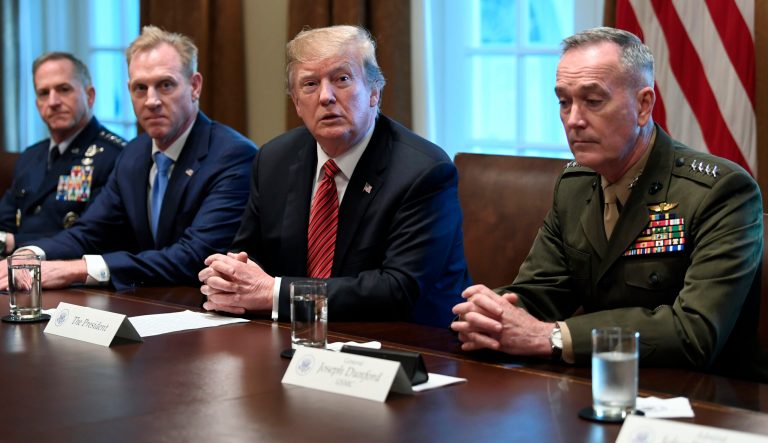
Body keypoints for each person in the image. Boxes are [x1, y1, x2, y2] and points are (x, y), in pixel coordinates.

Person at [451, 27, 765, 381]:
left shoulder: (720, 191)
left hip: (708, 398)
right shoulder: (575, 185)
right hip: (597, 382)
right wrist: (491, 313)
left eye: (593, 101)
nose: (574, 120)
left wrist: (553, 337)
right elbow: (541, 294)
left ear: (644, 105)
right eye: (564, 101)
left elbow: (694, 333)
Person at [198, 25, 470, 328]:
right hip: (298, 336)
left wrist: (274, 293)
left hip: (406, 347)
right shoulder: (273, 160)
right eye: (310, 84)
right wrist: (229, 280)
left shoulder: (423, 172)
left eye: (341, 79)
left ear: (374, 92)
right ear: (297, 104)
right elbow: (250, 257)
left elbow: (398, 290)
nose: (326, 97)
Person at [0, 26, 256, 290]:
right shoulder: (133, 154)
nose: (151, 100)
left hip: (206, 308)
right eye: (140, 88)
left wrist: (78, 269)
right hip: (145, 303)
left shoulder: (232, 156)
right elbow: (89, 231)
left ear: (194, 86)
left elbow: (194, 256)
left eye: (165, 85)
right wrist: (30, 254)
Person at [0, 52, 124, 256]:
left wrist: (14, 241)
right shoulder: (31, 156)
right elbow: (5, 220)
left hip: (71, 275)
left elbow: (95, 234)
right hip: (18, 270)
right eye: (43, 93)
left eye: (64, 89)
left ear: (90, 96)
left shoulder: (115, 156)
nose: (53, 101)